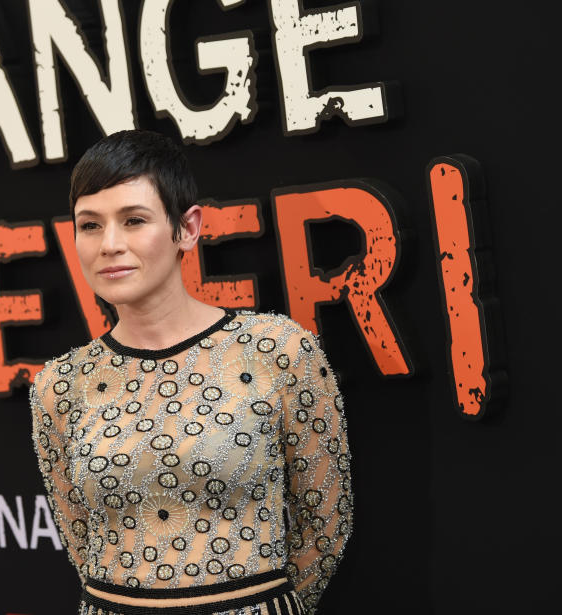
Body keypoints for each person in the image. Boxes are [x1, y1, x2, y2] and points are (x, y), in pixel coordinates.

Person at [28, 129, 352, 615]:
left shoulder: (275, 350)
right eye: (89, 225)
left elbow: (326, 522)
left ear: (187, 228)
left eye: (134, 220)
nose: (109, 245)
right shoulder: (60, 384)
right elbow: (79, 535)